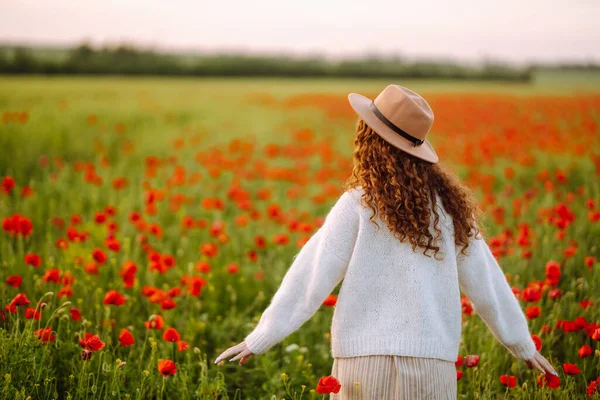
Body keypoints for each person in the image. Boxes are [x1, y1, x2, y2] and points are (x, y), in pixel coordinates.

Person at [214, 84, 558, 399]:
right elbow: (488, 285)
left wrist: (261, 337)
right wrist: (522, 345)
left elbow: (312, 273)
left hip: (362, 365)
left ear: (371, 140)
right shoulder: (449, 209)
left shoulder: (359, 204)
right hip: (431, 367)